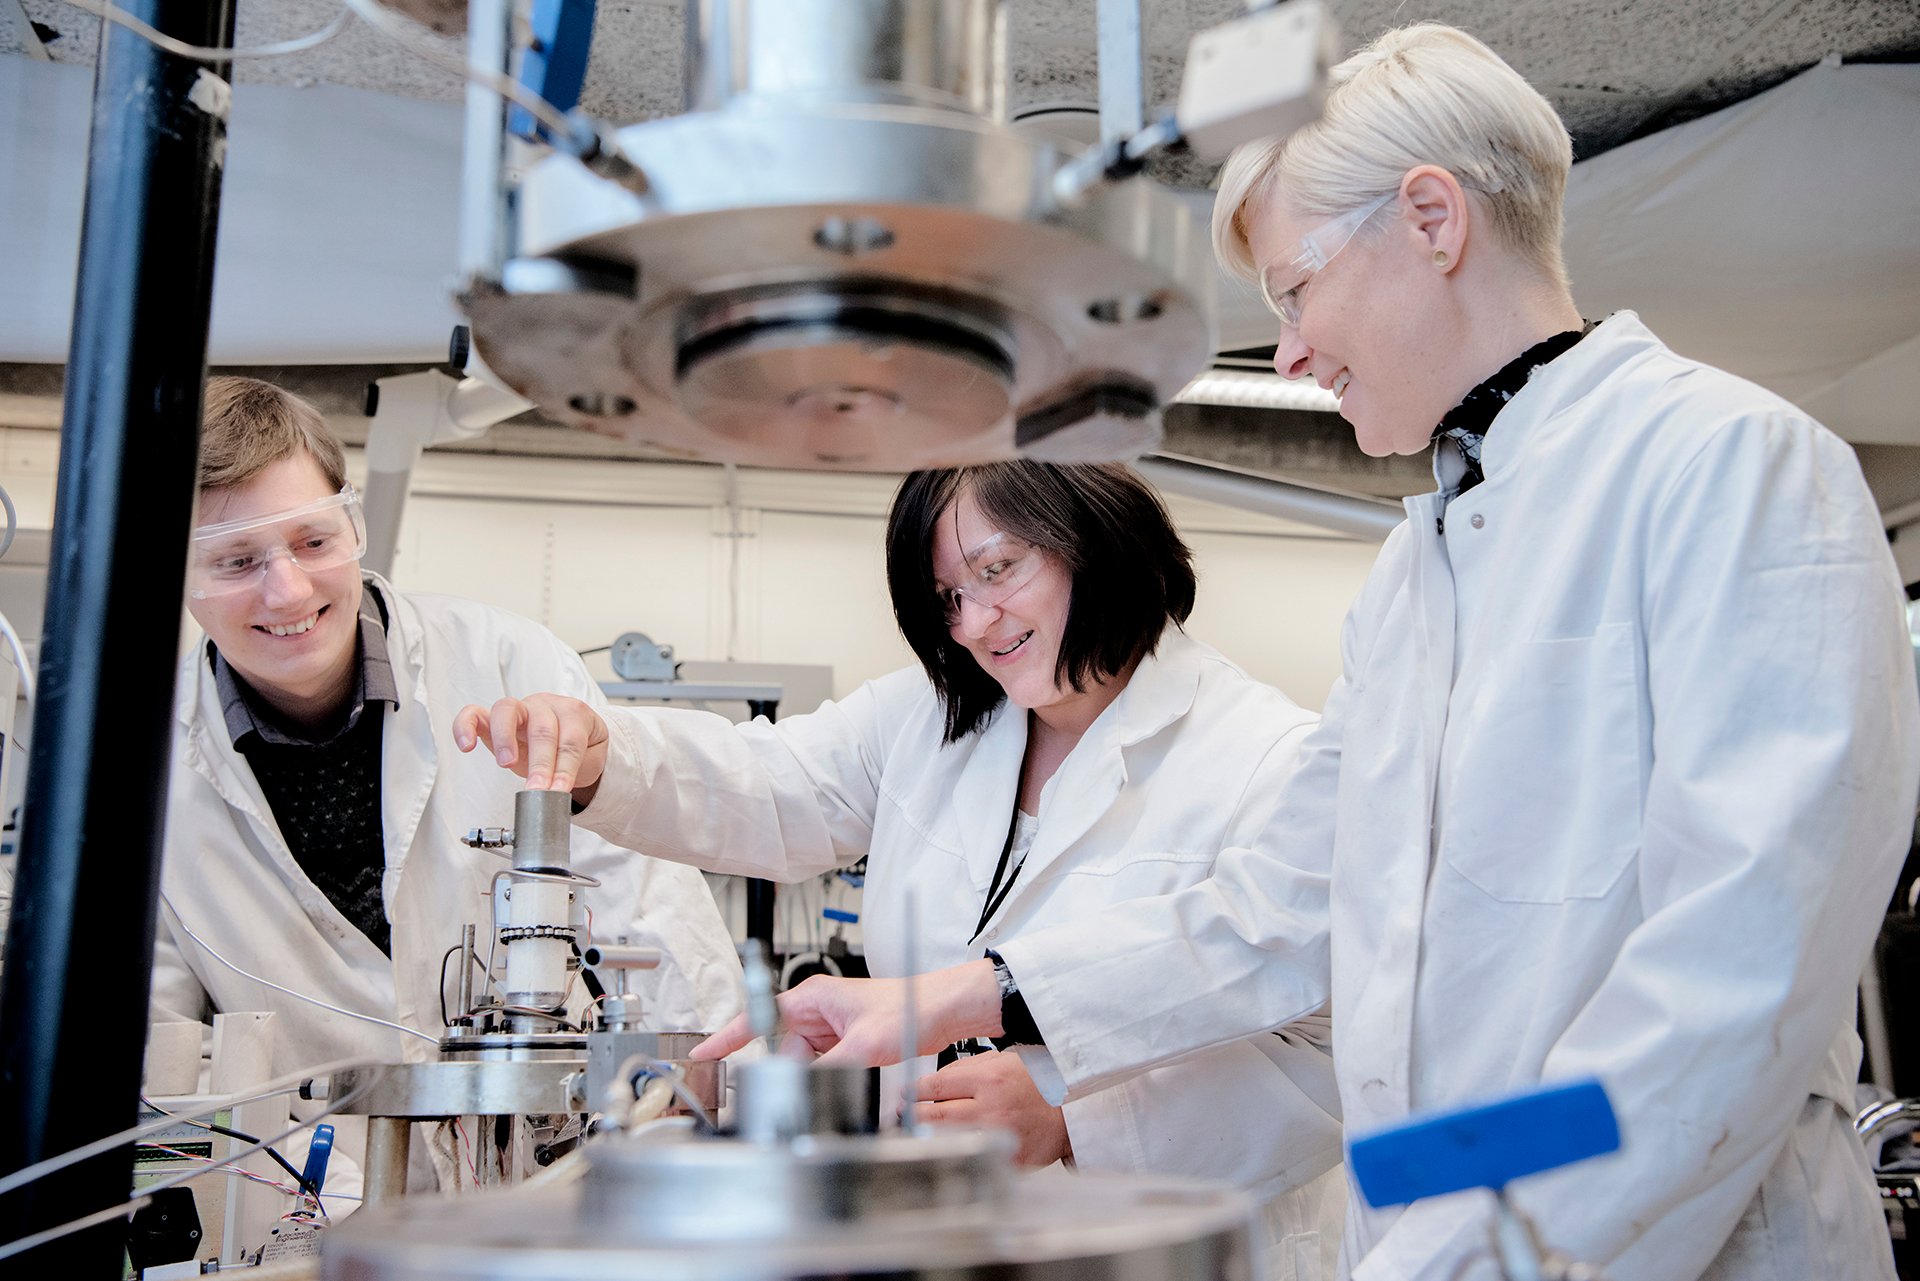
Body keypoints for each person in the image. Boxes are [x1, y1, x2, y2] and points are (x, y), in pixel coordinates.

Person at [692, 23, 1920, 1281]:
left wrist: (1460, 1258)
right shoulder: (1421, 567)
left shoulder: (1729, 469)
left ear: (1433, 220)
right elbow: (1277, 906)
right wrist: (942, 1001)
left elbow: (1730, 988)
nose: (1287, 350)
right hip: (1454, 1226)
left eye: (1295, 290)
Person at [457, 461, 1348, 1278]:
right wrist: (606, 753)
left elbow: (1330, 1056)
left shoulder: (1265, 757)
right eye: (949, 596)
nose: (975, 623)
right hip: (941, 1228)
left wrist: (1076, 1129)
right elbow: (767, 785)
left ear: (1099, 537)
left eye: (998, 571)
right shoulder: (935, 720)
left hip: (1175, 1247)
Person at [150, 376, 742, 1194]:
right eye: (237, 560)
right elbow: (153, 1054)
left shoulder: (508, 665)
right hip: (316, 1210)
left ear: (351, 526)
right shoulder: (144, 776)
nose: (287, 591)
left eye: (314, 542)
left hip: (567, 1192)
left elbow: (664, 932)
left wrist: (704, 1145)